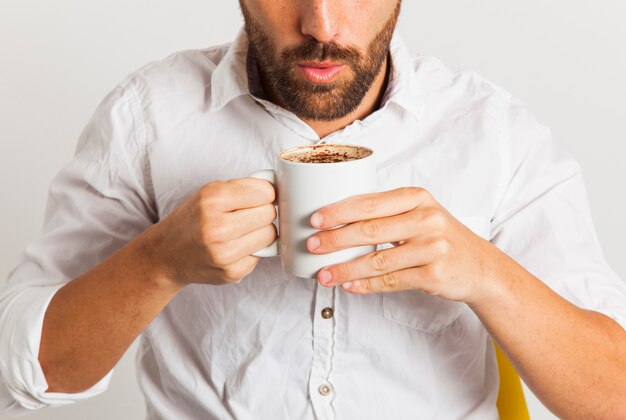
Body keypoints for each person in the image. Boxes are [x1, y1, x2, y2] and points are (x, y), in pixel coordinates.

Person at [1, 0, 625, 418]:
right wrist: (158, 262)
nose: (322, 25)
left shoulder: (494, 134)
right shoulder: (146, 118)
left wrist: (486, 274)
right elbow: (34, 375)